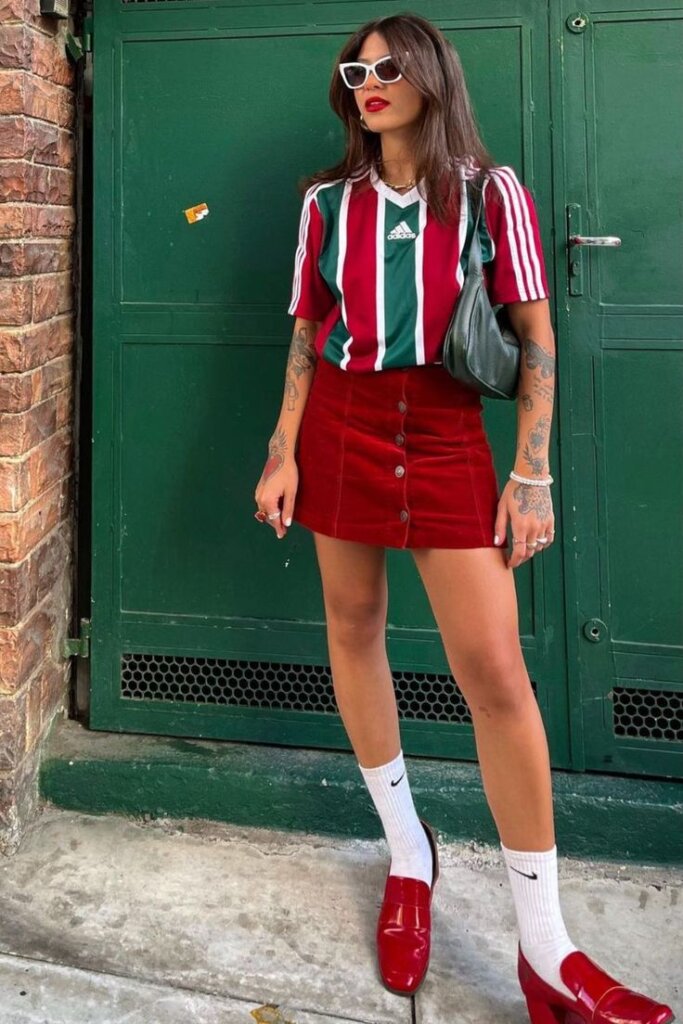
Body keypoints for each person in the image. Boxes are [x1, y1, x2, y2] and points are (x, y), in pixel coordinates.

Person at [254, 13, 674, 1024]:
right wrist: (281, 449)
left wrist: (527, 474)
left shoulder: (492, 194)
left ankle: (546, 952)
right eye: (354, 71)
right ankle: (408, 854)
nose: (368, 81)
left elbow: (535, 339)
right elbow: (308, 334)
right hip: (341, 427)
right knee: (351, 630)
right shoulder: (325, 203)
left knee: (494, 675)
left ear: (431, 73)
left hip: (444, 435)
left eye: (388, 65)